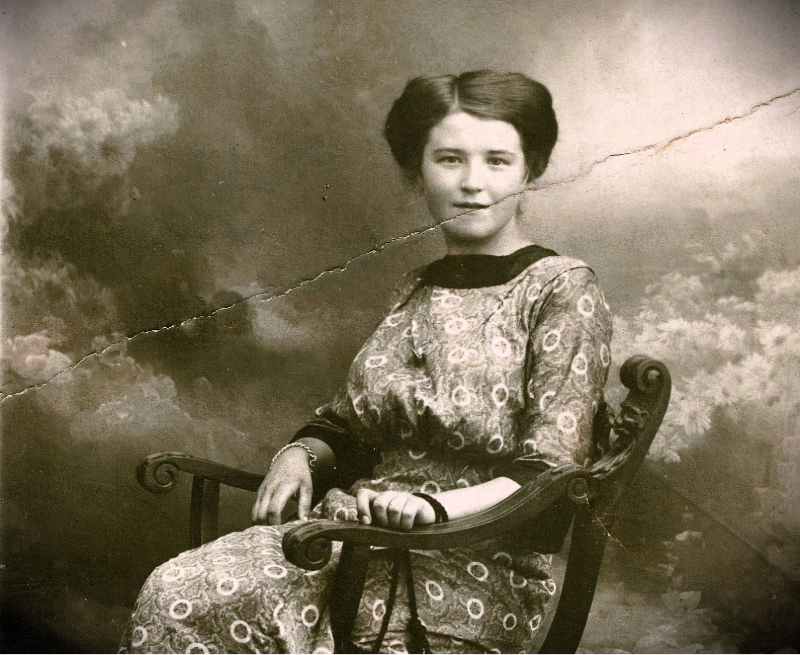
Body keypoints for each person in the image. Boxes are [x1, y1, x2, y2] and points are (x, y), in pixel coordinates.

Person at [120, 70, 613, 654]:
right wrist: (296, 458)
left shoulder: (561, 289)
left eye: (498, 161)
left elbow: (550, 476)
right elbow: (353, 423)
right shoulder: (416, 287)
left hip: (472, 560)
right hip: (353, 536)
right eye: (449, 159)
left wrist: (430, 507)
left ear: (531, 169)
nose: (474, 184)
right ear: (416, 171)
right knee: (177, 592)